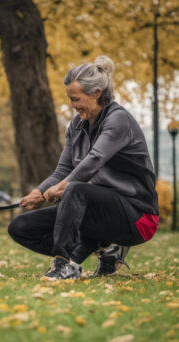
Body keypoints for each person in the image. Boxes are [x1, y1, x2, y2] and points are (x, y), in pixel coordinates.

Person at [8, 56, 159, 280]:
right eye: (69, 99)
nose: (71, 106)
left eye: (75, 99)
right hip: (97, 209)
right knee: (20, 226)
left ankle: (65, 265)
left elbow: (95, 159)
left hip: (138, 217)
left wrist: (64, 187)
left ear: (97, 93)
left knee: (75, 190)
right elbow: (62, 170)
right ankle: (105, 247)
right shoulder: (77, 126)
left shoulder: (118, 120)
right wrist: (39, 192)